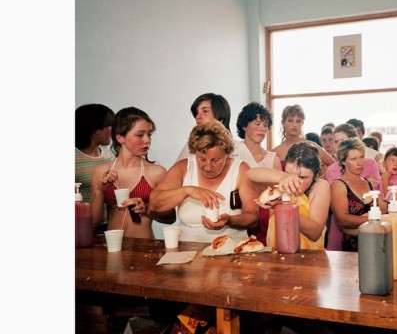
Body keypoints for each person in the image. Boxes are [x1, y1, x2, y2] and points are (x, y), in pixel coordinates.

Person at [149, 120, 259, 243]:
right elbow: (155, 203)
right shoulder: (183, 167)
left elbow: (253, 217)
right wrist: (188, 191)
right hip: (187, 249)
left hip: (231, 248)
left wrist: (230, 220)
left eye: (215, 160)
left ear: (227, 154)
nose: (208, 167)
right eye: (202, 159)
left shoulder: (240, 169)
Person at [91, 107, 175, 238]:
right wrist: (100, 191)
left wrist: (146, 208)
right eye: (140, 135)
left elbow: (171, 218)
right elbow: (93, 222)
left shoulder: (157, 172)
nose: (147, 140)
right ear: (120, 138)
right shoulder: (101, 172)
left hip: (145, 245)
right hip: (112, 245)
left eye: (149, 134)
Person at [248, 142, 330, 250]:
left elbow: (315, 232)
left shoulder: (320, 187)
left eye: (302, 177)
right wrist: (283, 177)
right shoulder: (282, 184)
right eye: (289, 174)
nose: (294, 182)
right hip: (276, 253)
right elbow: (250, 174)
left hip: (309, 255)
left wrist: (282, 208)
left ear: (315, 174)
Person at [325, 123, 382, 251]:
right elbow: (343, 219)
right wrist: (373, 218)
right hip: (352, 246)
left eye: (361, 157)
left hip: (375, 242)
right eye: (353, 159)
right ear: (343, 161)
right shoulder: (338, 185)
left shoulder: (367, 183)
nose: (359, 162)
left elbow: (382, 207)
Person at [234, 102, 282, 244]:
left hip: (266, 219)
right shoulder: (233, 154)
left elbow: (279, 192)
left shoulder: (273, 159)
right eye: (257, 124)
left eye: (265, 125)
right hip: (237, 214)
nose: (262, 129)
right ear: (244, 125)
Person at [75, 103, 115, 231]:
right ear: (97, 130)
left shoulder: (109, 154)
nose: (113, 130)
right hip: (83, 226)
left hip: (110, 225)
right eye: (110, 126)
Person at [271, 104, 335, 170]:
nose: (294, 125)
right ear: (283, 123)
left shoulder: (312, 146)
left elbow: (335, 166)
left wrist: (322, 176)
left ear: (302, 123)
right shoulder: (274, 153)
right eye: (290, 120)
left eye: (298, 121)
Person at [176, 93, 232, 162]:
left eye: (205, 111)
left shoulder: (239, 149)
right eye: (196, 112)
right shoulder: (190, 147)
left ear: (221, 116)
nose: (197, 117)